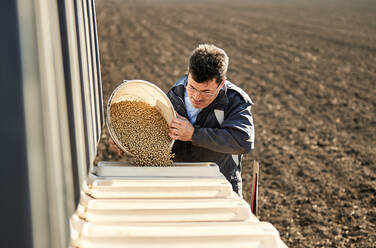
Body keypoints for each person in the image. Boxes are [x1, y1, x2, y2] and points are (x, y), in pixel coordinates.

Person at [167, 44, 254, 196]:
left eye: (206, 91)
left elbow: (243, 141)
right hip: (179, 184)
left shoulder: (234, 100)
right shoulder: (176, 94)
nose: (196, 97)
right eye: (192, 87)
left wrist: (194, 134)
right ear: (188, 75)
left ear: (221, 83)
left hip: (220, 187)